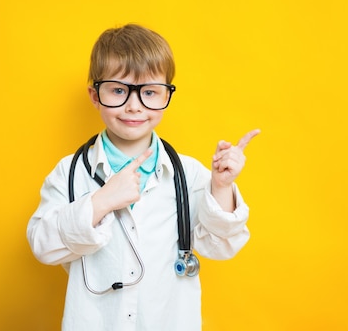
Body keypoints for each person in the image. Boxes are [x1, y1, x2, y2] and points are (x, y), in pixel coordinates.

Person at [26, 23, 259, 331]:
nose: (134, 106)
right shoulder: (71, 171)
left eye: (149, 92)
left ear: (167, 96)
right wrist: (101, 201)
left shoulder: (186, 174)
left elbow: (221, 246)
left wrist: (222, 187)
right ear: (95, 96)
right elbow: (43, 245)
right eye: (119, 90)